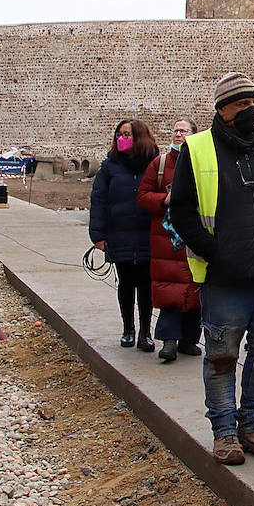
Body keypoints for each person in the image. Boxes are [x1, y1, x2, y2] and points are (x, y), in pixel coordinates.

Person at [169, 73, 254, 466]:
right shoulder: (197, 148)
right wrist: (215, 252)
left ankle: (253, 425)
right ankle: (225, 432)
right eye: (241, 104)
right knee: (222, 354)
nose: (250, 110)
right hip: (225, 275)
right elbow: (182, 210)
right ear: (222, 109)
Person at [89, 120, 160, 352]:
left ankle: (145, 333)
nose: (122, 138)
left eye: (127, 134)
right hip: (120, 234)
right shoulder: (110, 167)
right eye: (119, 134)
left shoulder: (155, 163)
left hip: (148, 233)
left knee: (147, 286)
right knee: (126, 283)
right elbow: (98, 200)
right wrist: (98, 235)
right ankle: (128, 329)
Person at [136, 119, 203, 363]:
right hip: (166, 238)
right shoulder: (160, 164)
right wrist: (164, 200)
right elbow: (143, 196)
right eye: (175, 130)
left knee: (195, 289)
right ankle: (169, 340)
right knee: (170, 290)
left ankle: (189, 339)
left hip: (194, 234)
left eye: (183, 130)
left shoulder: (202, 162)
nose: (178, 134)